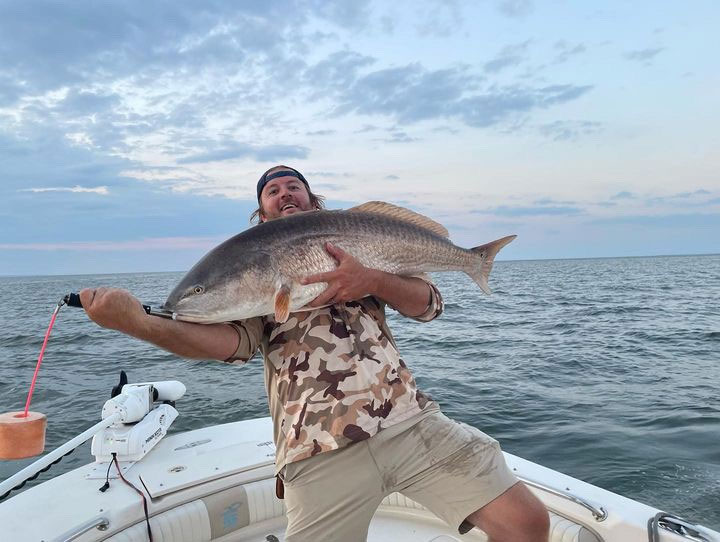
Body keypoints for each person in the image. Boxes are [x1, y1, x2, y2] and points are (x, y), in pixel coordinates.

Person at [80, 165, 549, 542]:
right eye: (272, 191)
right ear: (261, 213)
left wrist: (372, 279)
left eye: (294, 186)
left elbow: (428, 306)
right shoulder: (253, 272)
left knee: (527, 523)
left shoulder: (353, 241)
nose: (284, 193)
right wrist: (138, 322)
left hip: (409, 420)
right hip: (317, 446)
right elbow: (228, 344)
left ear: (312, 200)